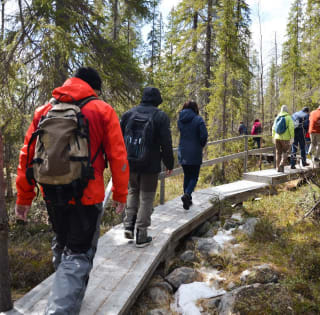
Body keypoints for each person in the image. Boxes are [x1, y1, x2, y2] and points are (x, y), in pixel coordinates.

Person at [15, 67, 129, 314]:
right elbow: (118, 157)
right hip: (87, 196)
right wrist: (120, 194)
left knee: (62, 242)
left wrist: (23, 198)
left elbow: (27, 156)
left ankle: (67, 297)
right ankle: (60, 309)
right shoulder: (102, 110)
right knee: (78, 254)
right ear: (94, 88)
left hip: (51, 193)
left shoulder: (44, 111)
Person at [120, 87, 174, 247]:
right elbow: (166, 142)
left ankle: (128, 224)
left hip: (130, 162)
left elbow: (119, 139)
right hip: (150, 164)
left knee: (132, 191)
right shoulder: (160, 116)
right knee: (146, 197)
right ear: (157, 100)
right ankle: (141, 234)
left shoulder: (129, 114)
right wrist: (169, 163)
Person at [177, 101, 208, 210]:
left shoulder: (180, 119)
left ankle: (187, 201)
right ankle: (187, 195)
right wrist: (200, 144)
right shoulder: (198, 119)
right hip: (194, 151)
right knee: (194, 176)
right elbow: (204, 135)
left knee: (187, 175)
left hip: (183, 151)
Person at [272, 105, 294, 172]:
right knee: (286, 151)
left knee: (278, 153)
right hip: (285, 138)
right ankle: (281, 164)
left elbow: (273, 128)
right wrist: (292, 137)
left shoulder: (277, 117)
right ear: (287, 110)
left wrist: (273, 136)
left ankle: (277, 168)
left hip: (277, 138)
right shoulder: (288, 117)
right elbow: (291, 128)